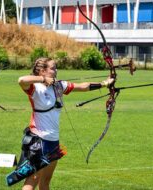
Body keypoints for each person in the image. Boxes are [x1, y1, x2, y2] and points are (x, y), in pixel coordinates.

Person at [17, 57, 114, 190]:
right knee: (32, 181)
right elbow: (21, 80)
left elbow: (82, 86)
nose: (55, 70)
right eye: (52, 68)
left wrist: (105, 83)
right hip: (38, 141)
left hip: (53, 141)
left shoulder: (58, 86)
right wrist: (43, 79)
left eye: (55, 67)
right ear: (42, 71)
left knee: (45, 182)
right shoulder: (35, 88)